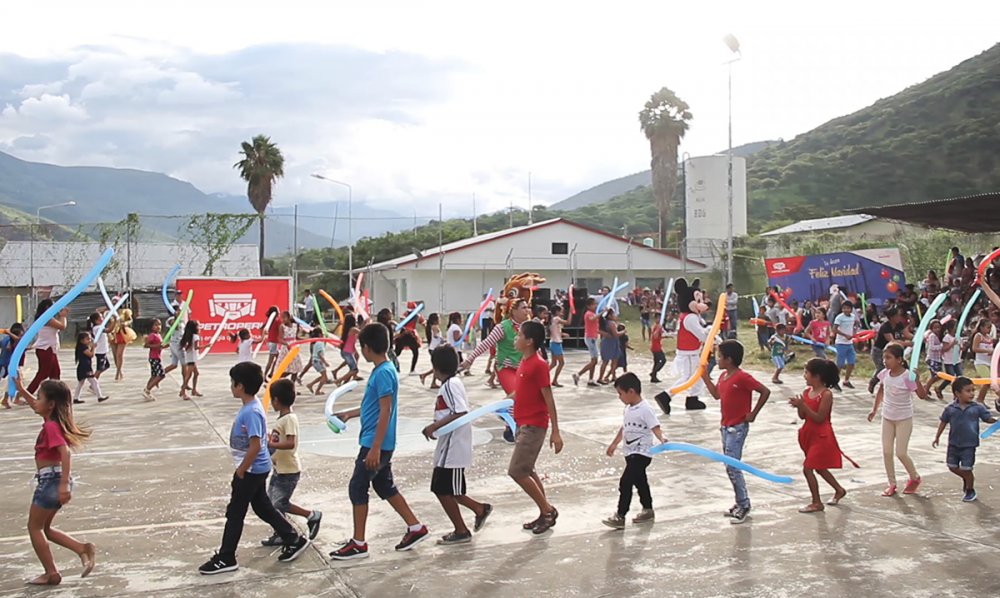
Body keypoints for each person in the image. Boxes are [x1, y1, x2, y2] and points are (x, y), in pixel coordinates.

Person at [198, 362, 310, 574]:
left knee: (235, 512)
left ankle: (226, 557)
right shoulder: (251, 407)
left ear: (240, 386)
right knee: (262, 506)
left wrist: (241, 471)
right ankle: (292, 538)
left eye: (233, 383)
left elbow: (256, 444)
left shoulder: (251, 411)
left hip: (251, 470)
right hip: (255, 468)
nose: (231, 386)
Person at [331, 323, 428, 560]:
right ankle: (415, 527)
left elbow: (386, 411)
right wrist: (349, 414)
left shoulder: (384, 372)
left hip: (376, 443)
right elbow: (372, 407)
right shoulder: (382, 370)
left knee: (357, 487)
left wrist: (374, 448)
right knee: (384, 486)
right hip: (378, 442)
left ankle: (359, 543)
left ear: (367, 347)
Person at [12, 376, 95, 585]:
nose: (35, 402)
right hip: (53, 480)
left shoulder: (50, 427)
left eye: (39, 397)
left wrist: (64, 484)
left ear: (50, 404)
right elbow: (35, 406)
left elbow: (66, 453)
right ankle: (81, 548)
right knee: (45, 528)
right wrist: (21, 388)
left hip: (51, 481)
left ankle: (51, 573)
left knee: (34, 528)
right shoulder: (51, 421)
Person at [420, 345, 492, 545]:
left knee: (442, 489)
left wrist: (434, 426)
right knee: (451, 489)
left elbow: (459, 411)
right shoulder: (452, 383)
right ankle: (479, 509)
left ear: (435, 367)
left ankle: (461, 529)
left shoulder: (450, 385)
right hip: (449, 444)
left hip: (453, 446)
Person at [700, 340, 771, 524]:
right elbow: (717, 395)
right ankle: (739, 501)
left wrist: (753, 413)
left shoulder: (742, 377)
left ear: (729, 359)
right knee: (730, 465)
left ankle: (744, 504)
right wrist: (705, 377)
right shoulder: (724, 376)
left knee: (733, 465)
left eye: (720, 356)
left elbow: (764, 391)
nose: (717, 359)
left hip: (737, 427)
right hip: (725, 425)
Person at [509, 320, 563, 534]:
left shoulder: (538, 365)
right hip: (522, 424)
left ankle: (548, 510)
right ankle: (544, 512)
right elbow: (523, 391)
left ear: (529, 341)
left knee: (517, 471)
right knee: (527, 470)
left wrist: (556, 432)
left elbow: (549, 399)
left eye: (519, 335)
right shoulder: (524, 361)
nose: (516, 338)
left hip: (534, 425)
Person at [261, 378, 323, 545]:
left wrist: (270, 443)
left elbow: (290, 443)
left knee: (279, 504)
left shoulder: (288, 419)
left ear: (276, 400)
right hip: (279, 469)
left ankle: (311, 515)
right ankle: (281, 532)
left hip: (288, 471)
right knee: (272, 505)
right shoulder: (283, 419)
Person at [868, 342, 932, 497]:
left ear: (899, 359)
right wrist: (875, 409)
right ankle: (892, 483)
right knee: (886, 451)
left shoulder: (907, 377)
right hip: (887, 417)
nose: (885, 361)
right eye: (884, 357)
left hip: (903, 419)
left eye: (888, 357)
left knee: (901, 453)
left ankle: (914, 477)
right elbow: (881, 391)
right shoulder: (884, 374)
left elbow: (922, 396)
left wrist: (917, 380)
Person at [602, 373, 664, 529]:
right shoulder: (628, 409)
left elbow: (655, 426)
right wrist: (614, 443)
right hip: (630, 453)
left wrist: (663, 439)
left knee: (626, 482)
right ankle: (648, 510)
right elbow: (625, 428)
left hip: (641, 453)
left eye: (620, 394)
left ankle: (620, 515)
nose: (619, 397)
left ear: (631, 391)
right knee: (640, 482)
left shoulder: (645, 409)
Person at [789, 358, 848, 513]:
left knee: (808, 469)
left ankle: (816, 502)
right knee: (819, 468)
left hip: (822, 435)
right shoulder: (807, 392)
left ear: (817, 376)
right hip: (808, 433)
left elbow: (819, 417)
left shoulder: (826, 394)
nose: (804, 376)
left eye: (806, 372)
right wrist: (799, 406)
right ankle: (839, 489)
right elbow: (803, 416)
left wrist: (804, 406)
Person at [933, 377, 997, 502]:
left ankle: (970, 489)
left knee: (967, 468)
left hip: (969, 444)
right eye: (968, 391)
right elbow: (943, 421)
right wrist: (937, 437)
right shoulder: (950, 408)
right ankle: (968, 479)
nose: (972, 394)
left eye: (973, 390)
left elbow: (987, 418)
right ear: (957, 393)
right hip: (953, 444)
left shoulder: (977, 407)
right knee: (952, 466)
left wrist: (996, 421)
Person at [868, 307, 914, 394]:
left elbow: (907, 334)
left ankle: (907, 384)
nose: (899, 318)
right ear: (891, 317)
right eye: (897, 316)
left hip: (892, 351)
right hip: (879, 350)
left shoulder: (899, 324)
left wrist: (918, 337)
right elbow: (892, 341)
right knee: (882, 368)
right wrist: (907, 344)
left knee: (902, 365)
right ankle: (873, 382)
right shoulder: (885, 326)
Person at [26, 300, 66, 396]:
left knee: (55, 372)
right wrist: (63, 316)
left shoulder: (46, 318)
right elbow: (62, 326)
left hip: (50, 348)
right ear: (47, 307)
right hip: (45, 349)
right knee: (44, 373)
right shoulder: (46, 319)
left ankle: (55, 394)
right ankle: (27, 393)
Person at [72, 332, 107, 405]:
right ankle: (99, 396)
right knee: (94, 381)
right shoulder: (83, 348)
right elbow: (91, 355)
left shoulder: (83, 347)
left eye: (90, 339)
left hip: (84, 366)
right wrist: (93, 348)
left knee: (81, 383)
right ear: (82, 340)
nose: (90, 340)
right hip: (85, 367)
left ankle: (76, 398)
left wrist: (92, 347)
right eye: (87, 339)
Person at [572, 298, 600, 387]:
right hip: (590, 338)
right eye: (593, 304)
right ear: (588, 306)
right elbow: (593, 318)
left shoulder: (593, 313)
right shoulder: (588, 314)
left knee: (594, 360)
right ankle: (578, 374)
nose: (595, 306)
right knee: (594, 360)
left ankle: (591, 379)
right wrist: (602, 312)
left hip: (593, 338)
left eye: (596, 304)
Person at [832, 300, 857, 389]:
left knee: (852, 362)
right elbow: (834, 329)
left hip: (849, 343)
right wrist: (845, 335)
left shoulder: (853, 317)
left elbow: (855, 324)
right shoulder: (839, 317)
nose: (846, 310)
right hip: (841, 343)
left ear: (851, 309)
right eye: (844, 308)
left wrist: (854, 331)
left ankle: (846, 380)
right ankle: (834, 380)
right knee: (840, 364)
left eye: (848, 308)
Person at [971, 318, 996, 405]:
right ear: (981, 327)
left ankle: (981, 398)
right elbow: (974, 348)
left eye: (990, 327)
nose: (988, 329)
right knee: (987, 381)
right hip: (980, 362)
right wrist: (986, 351)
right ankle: (979, 399)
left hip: (988, 362)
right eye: (987, 327)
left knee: (988, 382)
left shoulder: (989, 337)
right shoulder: (978, 336)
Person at [936, 319, 963, 398]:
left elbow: (960, 348)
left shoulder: (958, 337)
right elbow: (945, 349)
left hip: (957, 360)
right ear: (951, 328)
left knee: (960, 377)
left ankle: (957, 394)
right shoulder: (947, 337)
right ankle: (940, 388)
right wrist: (952, 344)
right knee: (950, 377)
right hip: (949, 360)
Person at [275, 311, 304, 384]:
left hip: (294, 348)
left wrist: (304, 340)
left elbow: (296, 337)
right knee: (286, 369)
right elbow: (280, 339)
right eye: (282, 318)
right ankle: (275, 380)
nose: (283, 319)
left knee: (296, 369)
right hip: (286, 349)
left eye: (284, 317)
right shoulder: (282, 327)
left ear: (289, 317)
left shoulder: (295, 326)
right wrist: (287, 344)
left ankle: (292, 385)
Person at [333, 314, 361, 387]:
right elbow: (362, 332)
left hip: (348, 351)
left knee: (352, 368)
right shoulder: (353, 329)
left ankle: (346, 383)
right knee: (354, 370)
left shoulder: (348, 329)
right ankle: (339, 380)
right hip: (347, 352)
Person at [1, 323, 24, 408]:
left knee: (13, 381)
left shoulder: (12, 340)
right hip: (7, 364)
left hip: (12, 364)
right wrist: (9, 333)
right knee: (12, 381)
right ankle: (8, 399)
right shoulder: (9, 339)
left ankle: (7, 399)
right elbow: (16, 340)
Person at [597, 310, 622, 385]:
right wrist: (623, 332)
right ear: (609, 315)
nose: (615, 315)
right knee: (612, 361)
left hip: (608, 342)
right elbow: (616, 334)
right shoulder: (611, 323)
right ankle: (601, 377)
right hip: (611, 343)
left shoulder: (605, 323)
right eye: (613, 314)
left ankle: (613, 376)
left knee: (607, 361)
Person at [179, 320, 203, 399]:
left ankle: (194, 390)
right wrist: (206, 346)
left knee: (196, 373)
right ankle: (183, 391)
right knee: (188, 375)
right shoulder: (195, 336)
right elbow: (196, 347)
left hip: (190, 357)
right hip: (192, 358)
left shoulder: (188, 336)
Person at [143, 318, 165, 401]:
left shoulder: (158, 335)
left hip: (157, 357)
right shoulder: (153, 335)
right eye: (156, 325)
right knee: (161, 374)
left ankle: (148, 391)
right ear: (151, 327)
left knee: (154, 375)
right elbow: (146, 345)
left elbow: (159, 346)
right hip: (154, 357)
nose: (158, 327)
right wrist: (157, 346)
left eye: (159, 325)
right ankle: (147, 389)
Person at [305, 328, 332, 395]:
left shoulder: (318, 342)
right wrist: (325, 362)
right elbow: (319, 354)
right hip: (318, 361)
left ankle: (311, 384)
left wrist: (325, 340)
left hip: (317, 361)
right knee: (324, 377)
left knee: (323, 376)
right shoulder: (319, 343)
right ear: (320, 334)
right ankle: (317, 390)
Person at [86, 313, 110, 381]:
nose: (102, 318)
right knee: (100, 368)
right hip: (100, 351)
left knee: (106, 366)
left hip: (102, 350)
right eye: (101, 317)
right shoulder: (98, 328)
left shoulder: (98, 327)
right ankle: (93, 382)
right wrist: (115, 321)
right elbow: (109, 330)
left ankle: (94, 377)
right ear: (96, 321)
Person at [548, 304, 568, 387]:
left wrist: (562, 334)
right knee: (561, 362)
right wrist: (570, 312)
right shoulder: (556, 318)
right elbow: (568, 322)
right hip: (556, 342)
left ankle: (545, 377)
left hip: (553, 341)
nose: (562, 312)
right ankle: (555, 380)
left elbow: (555, 331)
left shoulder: (552, 319)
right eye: (560, 311)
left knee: (553, 363)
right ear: (557, 312)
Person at [264, 306, 281, 378]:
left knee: (278, 357)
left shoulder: (268, 320)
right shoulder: (277, 321)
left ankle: (272, 372)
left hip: (270, 341)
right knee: (271, 360)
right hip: (274, 342)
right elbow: (280, 330)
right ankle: (264, 375)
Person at [649, 319, 666, 384]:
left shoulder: (657, 327)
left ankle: (653, 377)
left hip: (655, 346)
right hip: (656, 347)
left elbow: (658, 336)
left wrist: (665, 337)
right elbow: (655, 336)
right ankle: (653, 373)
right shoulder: (657, 327)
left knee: (656, 362)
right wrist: (659, 328)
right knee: (663, 360)